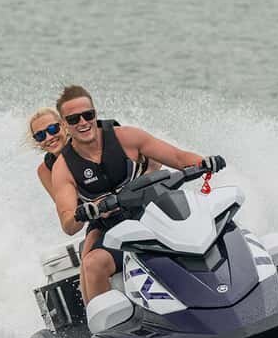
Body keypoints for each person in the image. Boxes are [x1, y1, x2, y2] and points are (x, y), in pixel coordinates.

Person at [48, 85, 224, 303]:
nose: (83, 122)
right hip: (111, 228)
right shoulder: (63, 168)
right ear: (64, 124)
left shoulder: (127, 137)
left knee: (209, 223)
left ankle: (224, 289)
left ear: (95, 113)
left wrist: (205, 162)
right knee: (93, 264)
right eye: (74, 119)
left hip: (152, 212)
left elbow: (178, 158)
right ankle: (104, 322)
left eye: (88, 115)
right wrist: (84, 212)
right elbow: (68, 223)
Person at [27, 106, 69, 202]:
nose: (49, 137)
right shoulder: (45, 170)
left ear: (64, 125)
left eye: (52, 129)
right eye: (40, 135)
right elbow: (62, 206)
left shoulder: (85, 148)